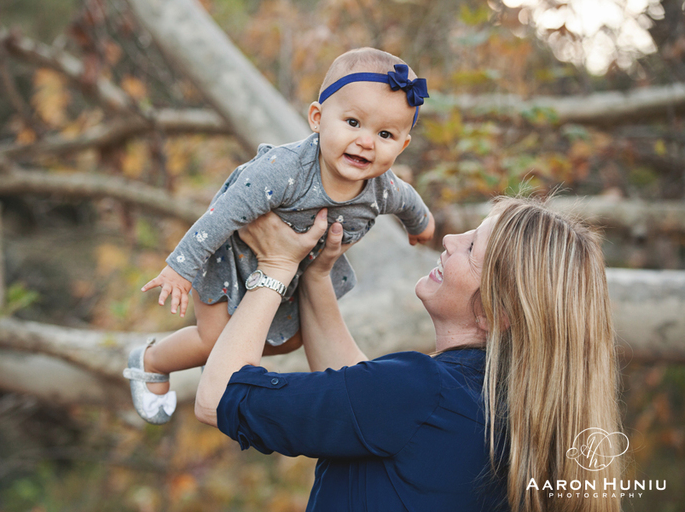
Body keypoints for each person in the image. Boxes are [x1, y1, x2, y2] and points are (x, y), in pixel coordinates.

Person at [194, 196, 624, 512]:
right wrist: (316, 275)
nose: (452, 239)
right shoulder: (515, 418)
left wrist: (275, 268)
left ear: (500, 312)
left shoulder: (420, 391)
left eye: (472, 249)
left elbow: (217, 397)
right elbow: (362, 405)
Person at [124, 47, 435, 424]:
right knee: (212, 339)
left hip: (292, 276)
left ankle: (224, 357)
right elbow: (222, 214)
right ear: (318, 118)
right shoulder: (283, 170)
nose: (366, 141)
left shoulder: (382, 188)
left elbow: (409, 203)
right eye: (353, 122)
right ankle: (151, 360)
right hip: (232, 262)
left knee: (290, 340)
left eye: (384, 134)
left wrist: (421, 227)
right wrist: (180, 267)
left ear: (401, 145)